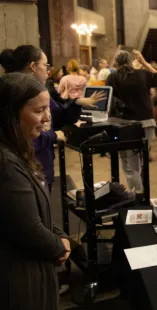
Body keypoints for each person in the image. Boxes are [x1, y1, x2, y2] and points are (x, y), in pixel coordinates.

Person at [0, 72, 72, 309]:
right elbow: (28, 228)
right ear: (11, 115)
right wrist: (58, 246)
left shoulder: (19, 150)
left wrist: (58, 232)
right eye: (39, 111)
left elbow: (35, 211)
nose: (46, 118)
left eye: (47, 110)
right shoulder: (6, 164)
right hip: (20, 282)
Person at [0, 45, 102, 191]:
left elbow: (59, 115)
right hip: (25, 168)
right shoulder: (15, 94)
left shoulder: (41, 91)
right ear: (33, 66)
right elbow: (22, 136)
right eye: (45, 65)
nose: (48, 71)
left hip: (42, 165)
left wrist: (77, 103)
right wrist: (52, 135)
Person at [107, 50, 157, 199]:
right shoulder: (142, 74)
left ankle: (136, 194)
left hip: (123, 124)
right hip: (146, 123)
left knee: (127, 162)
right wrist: (144, 62)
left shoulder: (112, 77)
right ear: (131, 61)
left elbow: (108, 100)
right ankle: (139, 194)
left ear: (116, 63)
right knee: (140, 161)